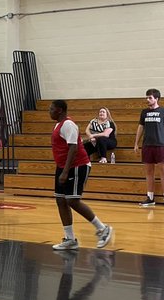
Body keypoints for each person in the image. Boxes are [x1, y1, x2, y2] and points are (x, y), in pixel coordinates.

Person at [48, 100, 114, 251]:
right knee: (60, 200)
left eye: (51, 109)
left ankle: (103, 229)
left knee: (72, 200)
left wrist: (65, 171)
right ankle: (70, 239)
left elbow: (74, 148)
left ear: (59, 110)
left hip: (77, 166)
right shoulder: (58, 125)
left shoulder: (68, 124)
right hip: (63, 166)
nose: (49, 111)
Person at [133, 89, 164, 207]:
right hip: (147, 145)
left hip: (160, 145)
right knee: (149, 172)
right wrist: (136, 143)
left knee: (163, 171)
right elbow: (140, 128)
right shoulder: (144, 112)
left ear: (156, 99)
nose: (147, 100)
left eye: (150, 98)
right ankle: (150, 197)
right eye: (147, 97)